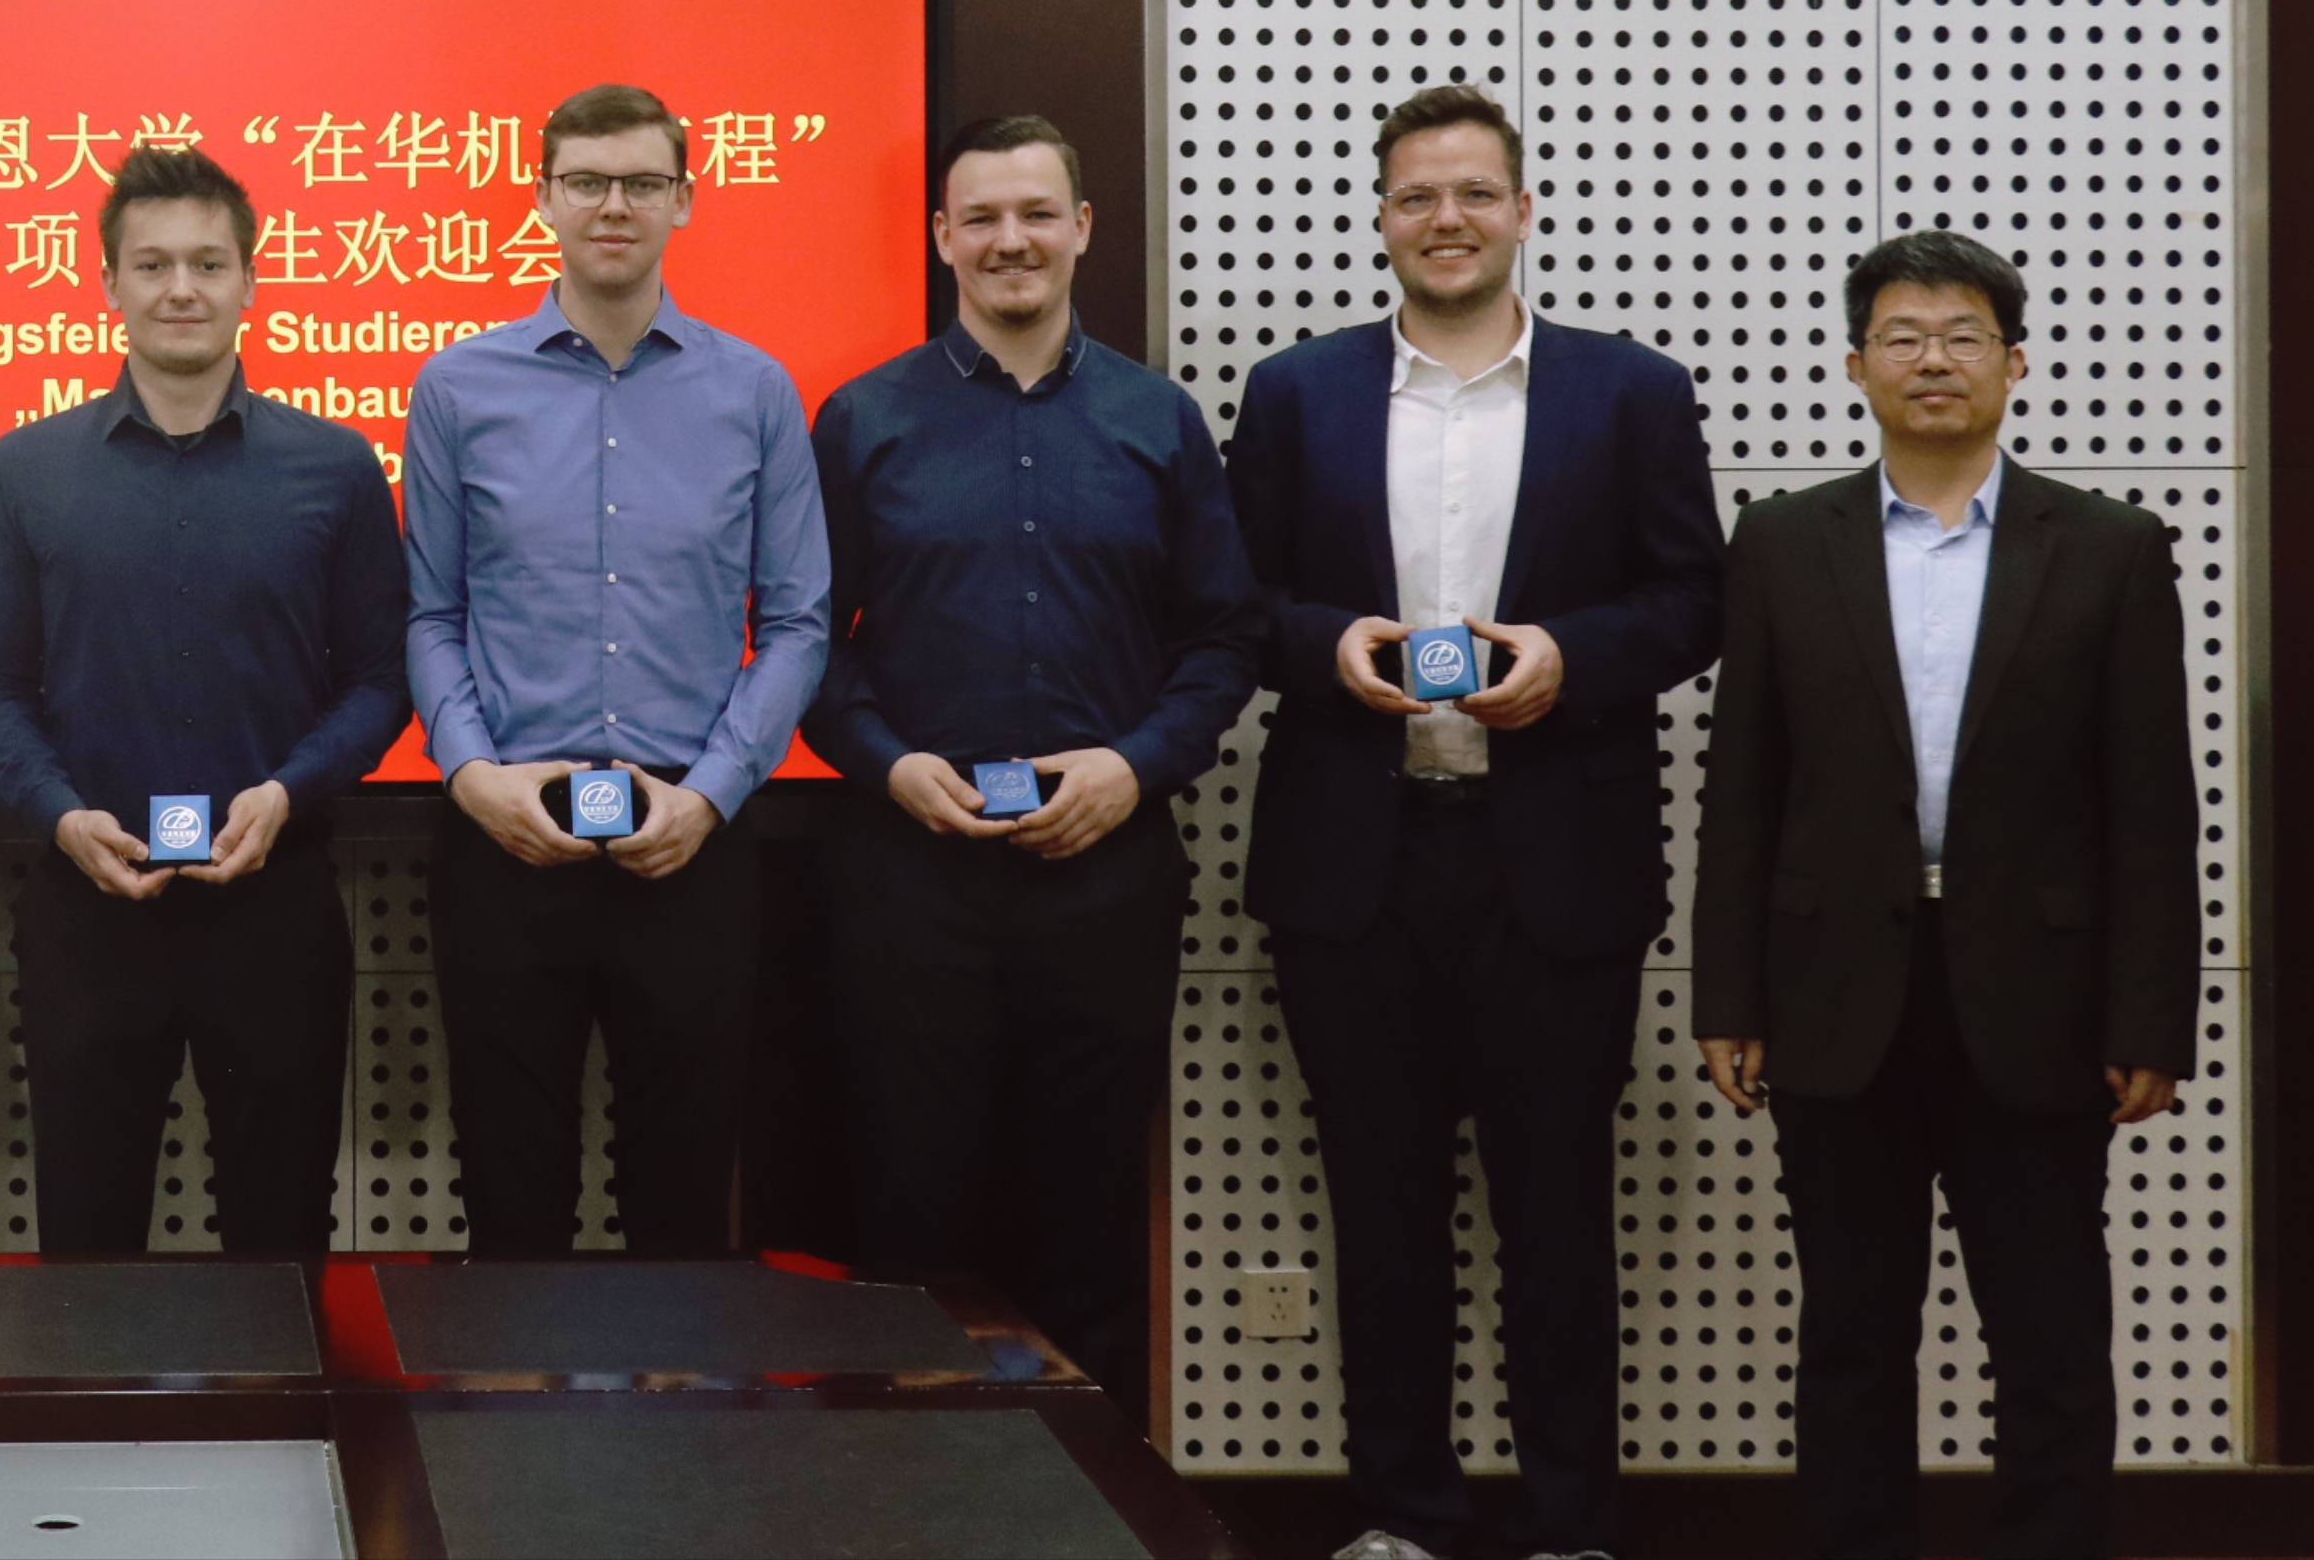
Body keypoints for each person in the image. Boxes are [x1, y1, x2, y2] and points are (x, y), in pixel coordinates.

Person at [1221, 84, 1723, 1560]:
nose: (1444, 219)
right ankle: (1402, 1519)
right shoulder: (1294, 392)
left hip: (1553, 868)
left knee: (1557, 1214)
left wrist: (1571, 659)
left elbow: (1691, 599)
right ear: (1380, 219)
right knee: (1378, 1215)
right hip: (1352, 866)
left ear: (1519, 210)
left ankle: (1568, 1526)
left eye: (1471, 194)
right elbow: (1229, 602)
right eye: (1415, 197)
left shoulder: (1628, 392)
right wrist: (1323, 646)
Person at [1696, 230, 2196, 1560]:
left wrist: (2148, 1020)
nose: (1932, 359)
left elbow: (2150, 807)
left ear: (2011, 364)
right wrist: (1726, 994)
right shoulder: (1780, 541)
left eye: (1963, 335)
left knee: (2048, 1339)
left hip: (2039, 1001)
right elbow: (1741, 786)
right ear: (1853, 365)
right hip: (1831, 994)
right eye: (1902, 337)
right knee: (1849, 1339)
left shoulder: (2105, 547)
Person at [803, 113, 1257, 1417]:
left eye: (1035, 214)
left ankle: (1092, 1500)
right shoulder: (863, 419)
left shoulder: (1156, 420)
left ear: (1080, 228)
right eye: (982, 218)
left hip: (1102, 878)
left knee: (1087, 1220)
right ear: (941, 237)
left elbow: (1222, 639)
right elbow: (804, 643)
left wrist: (1134, 767)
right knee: (907, 1223)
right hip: (908, 880)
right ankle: (909, 1499)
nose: (1011, 240)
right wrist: (888, 765)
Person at [0, 147, 408, 1254]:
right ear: (108, 282)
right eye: (151, 265)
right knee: (87, 1240)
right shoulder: (27, 468)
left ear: (250, 280)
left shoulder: (337, 466)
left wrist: (286, 793)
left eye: (208, 263)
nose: (180, 289)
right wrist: (62, 816)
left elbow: (380, 679)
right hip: (89, 905)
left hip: (275, 901)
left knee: (281, 1237)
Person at [401, 83, 829, 1257]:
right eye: (585, 182)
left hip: (689, 840)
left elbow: (797, 622)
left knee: (682, 1215)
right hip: (505, 836)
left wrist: (711, 795)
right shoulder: (456, 387)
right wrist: (471, 776)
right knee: (510, 1211)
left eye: (641, 183)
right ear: (542, 199)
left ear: (683, 202)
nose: (612, 206)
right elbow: (430, 611)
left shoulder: (753, 391)